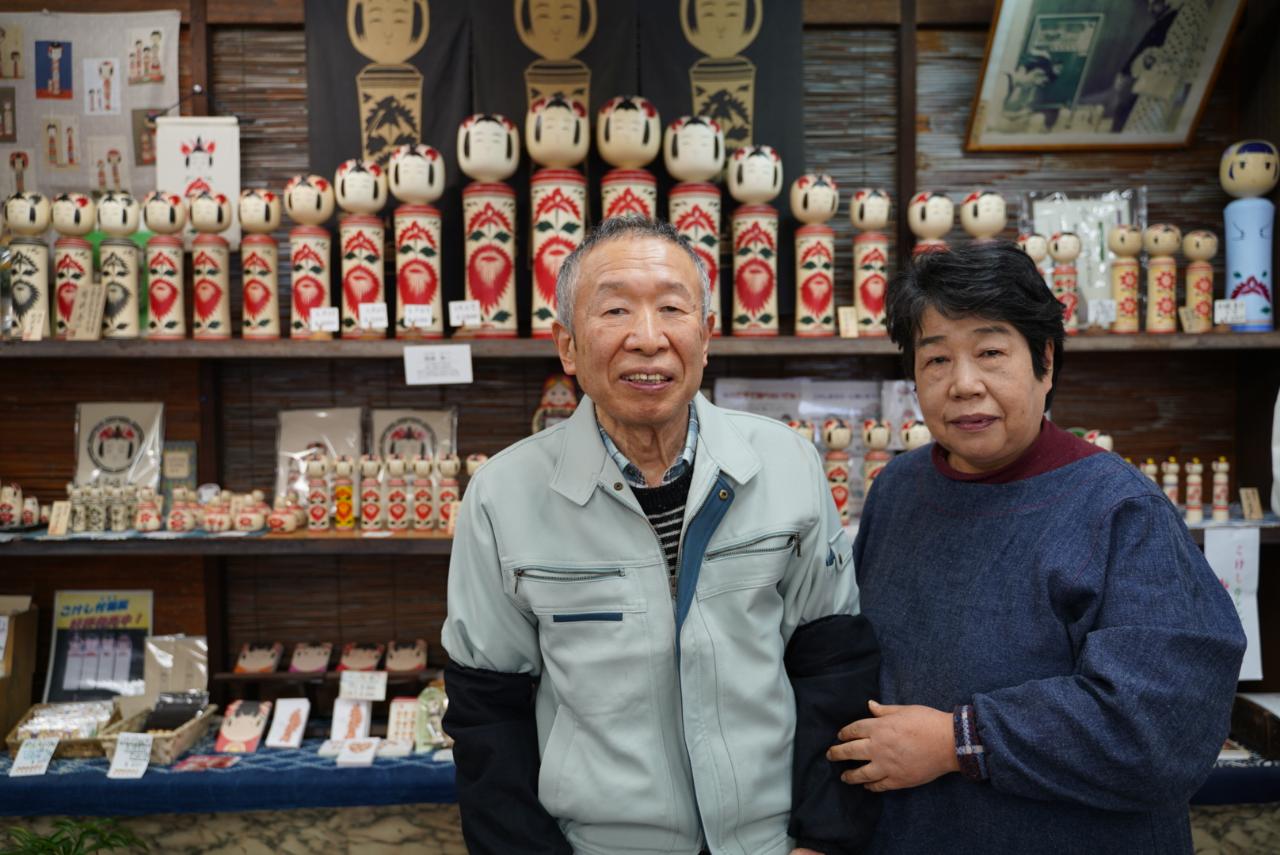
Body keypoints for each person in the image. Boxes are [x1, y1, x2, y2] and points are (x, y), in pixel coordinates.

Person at [443, 216, 879, 855]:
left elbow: (833, 670)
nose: (648, 339)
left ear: (705, 337)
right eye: (615, 309)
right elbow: (488, 716)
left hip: (771, 842)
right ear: (566, 345)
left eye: (672, 308)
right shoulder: (501, 495)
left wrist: (826, 839)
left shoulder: (787, 463)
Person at [829, 241, 1246, 853]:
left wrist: (958, 741)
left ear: (1045, 363)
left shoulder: (1119, 509)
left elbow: (1163, 725)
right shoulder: (898, 488)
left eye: (991, 352)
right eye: (936, 359)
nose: (963, 384)